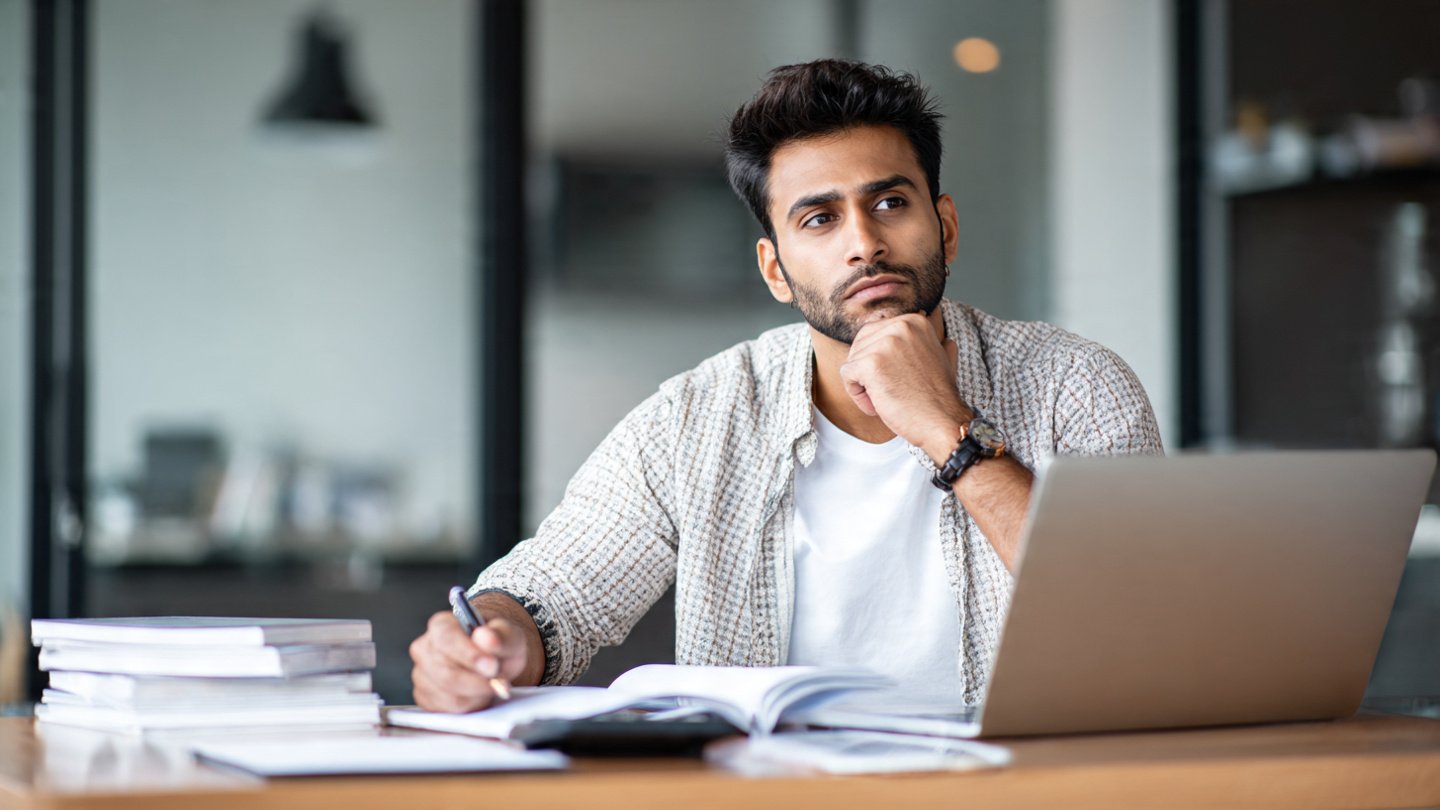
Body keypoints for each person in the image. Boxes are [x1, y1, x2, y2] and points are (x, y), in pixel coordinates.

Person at [409, 59, 1162, 712]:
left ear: (947, 228)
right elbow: (556, 599)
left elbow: (1139, 625)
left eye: (890, 204)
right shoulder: (696, 418)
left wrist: (946, 428)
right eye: (819, 219)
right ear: (776, 269)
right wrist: (492, 643)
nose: (863, 242)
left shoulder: (1077, 387)